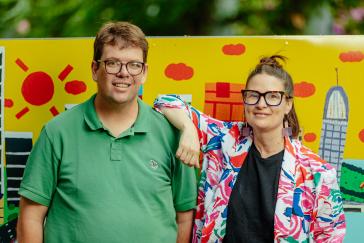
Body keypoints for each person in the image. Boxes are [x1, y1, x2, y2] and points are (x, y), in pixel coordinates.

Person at [17, 21, 197, 243]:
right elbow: (31, 216)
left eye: (133, 65)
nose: (123, 73)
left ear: (144, 72)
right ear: (94, 69)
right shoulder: (56, 133)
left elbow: (184, 218)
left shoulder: (173, 136)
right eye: (112, 63)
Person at [154, 55, 346, 242]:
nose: (261, 104)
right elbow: (164, 101)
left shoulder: (318, 173)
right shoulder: (224, 140)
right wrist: (188, 128)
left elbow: (331, 236)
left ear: (288, 103)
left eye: (272, 96)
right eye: (253, 95)